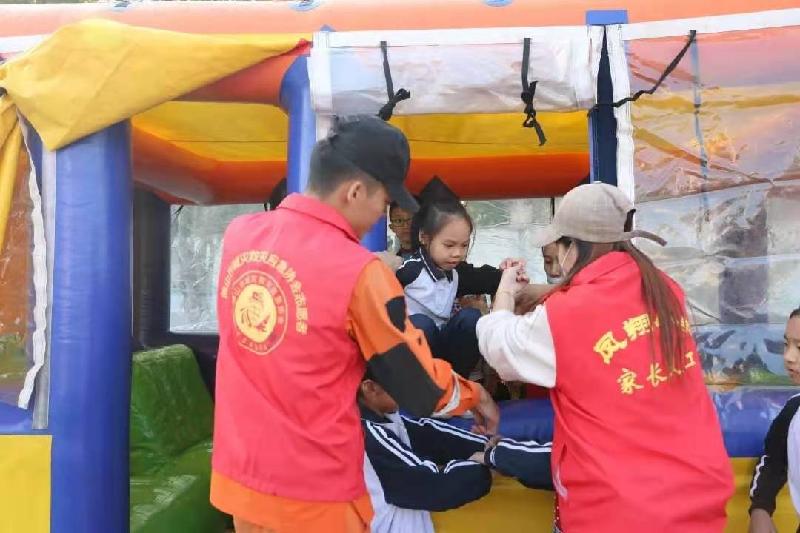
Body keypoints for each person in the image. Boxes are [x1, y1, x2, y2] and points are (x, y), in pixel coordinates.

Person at [211, 115, 499, 533]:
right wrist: (477, 395)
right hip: (314, 492)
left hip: (241, 476)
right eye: (384, 203)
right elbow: (418, 387)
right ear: (355, 191)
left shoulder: (239, 236)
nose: (382, 215)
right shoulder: (359, 272)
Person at [477, 183, 734, 532]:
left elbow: (498, 345)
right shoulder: (666, 289)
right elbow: (609, 304)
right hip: (697, 497)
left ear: (572, 247)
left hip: (617, 510)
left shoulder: (565, 314)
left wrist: (506, 290)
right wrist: (548, 293)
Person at [359, 371, 552, 533]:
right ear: (370, 388)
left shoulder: (384, 419)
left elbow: (432, 436)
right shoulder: (367, 436)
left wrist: (490, 448)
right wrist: (488, 461)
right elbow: (433, 487)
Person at [397, 199, 522, 378]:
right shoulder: (409, 271)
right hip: (415, 351)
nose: (457, 253)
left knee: (471, 318)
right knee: (421, 324)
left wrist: (508, 271)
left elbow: (486, 278)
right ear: (424, 237)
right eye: (449, 245)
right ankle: (423, 384)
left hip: (445, 347)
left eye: (464, 245)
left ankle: (458, 380)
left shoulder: (455, 272)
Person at [748, 307, 800, 533]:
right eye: (786, 344)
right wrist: (760, 509)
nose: (788, 356)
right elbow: (773, 460)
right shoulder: (794, 412)